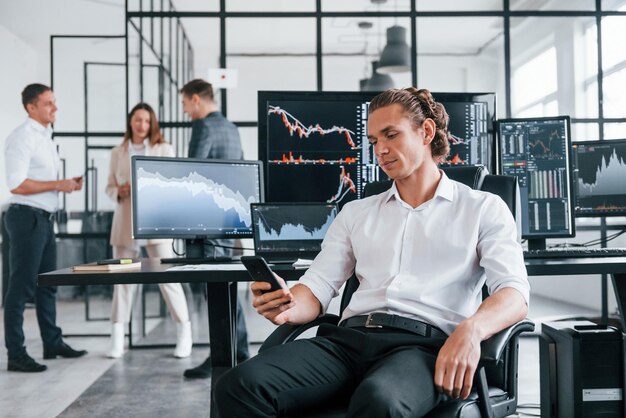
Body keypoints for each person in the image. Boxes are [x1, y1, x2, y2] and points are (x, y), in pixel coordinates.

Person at [213, 88, 530, 417]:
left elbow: (514, 293)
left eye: (391, 135)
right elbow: (319, 285)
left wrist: (471, 329)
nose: (380, 150)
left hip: (423, 348)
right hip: (348, 342)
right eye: (374, 140)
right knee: (240, 384)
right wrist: (288, 305)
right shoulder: (356, 212)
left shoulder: (482, 208)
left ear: (426, 132)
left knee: (380, 402)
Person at [4, 83, 88, 373]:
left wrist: (65, 186)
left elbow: (40, 182)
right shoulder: (22, 137)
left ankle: (52, 343)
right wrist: (57, 185)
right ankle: (16, 354)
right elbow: (16, 183)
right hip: (26, 218)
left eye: (55, 102)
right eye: (49, 103)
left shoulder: (45, 137)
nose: (55, 108)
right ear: (31, 107)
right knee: (21, 288)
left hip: (43, 218)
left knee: (47, 286)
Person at [105, 102, 192, 359]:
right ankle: (117, 340)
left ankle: (183, 334)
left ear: (152, 123)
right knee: (121, 281)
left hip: (156, 220)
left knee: (169, 280)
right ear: (130, 122)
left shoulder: (164, 149)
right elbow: (109, 186)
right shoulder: (117, 152)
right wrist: (118, 191)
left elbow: (173, 182)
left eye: (146, 120)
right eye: (137, 120)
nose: (141, 125)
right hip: (125, 222)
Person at [179, 79, 250, 379]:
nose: (186, 112)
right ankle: (241, 351)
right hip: (231, 217)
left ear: (196, 99)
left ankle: (220, 357)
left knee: (215, 290)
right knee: (229, 286)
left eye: (184, 104)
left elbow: (193, 174)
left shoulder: (203, 127)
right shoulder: (232, 128)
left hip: (208, 221)